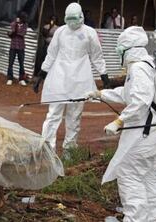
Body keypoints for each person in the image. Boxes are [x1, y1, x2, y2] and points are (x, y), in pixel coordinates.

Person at [86, 26, 156, 221]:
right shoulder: (148, 64)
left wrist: (119, 121)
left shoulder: (138, 68)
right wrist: (101, 94)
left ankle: (134, 219)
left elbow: (141, 100)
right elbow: (129, 93)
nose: (119, 54)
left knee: (129, 174)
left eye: (120, 50)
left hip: (148, 135)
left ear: (128, 49)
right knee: (149, 178)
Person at [33, 3, 110, 155]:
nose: (73, 22)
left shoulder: (90, 33)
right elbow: (51, 54)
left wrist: (104, 76)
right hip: (59, 78)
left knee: (74, 117)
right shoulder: (60, 32)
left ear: (81, 16)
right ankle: (47, 152)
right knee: (53, 115)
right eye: (70, 19)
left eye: (75, 19)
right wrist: (41, 75)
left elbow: (97, 56)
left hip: (80, 79)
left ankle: (69, 152)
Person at [6, 12, 28, 86]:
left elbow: (23, 33)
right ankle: (10, 78)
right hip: (13, 46)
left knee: (21, 63)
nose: (24, 19)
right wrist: (14, 30)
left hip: (21, 47)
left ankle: (21, 79)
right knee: (10, 63)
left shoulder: (25, 25)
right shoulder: (13, 24)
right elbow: (11, 34)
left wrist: (13, 33)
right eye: (23, 18)